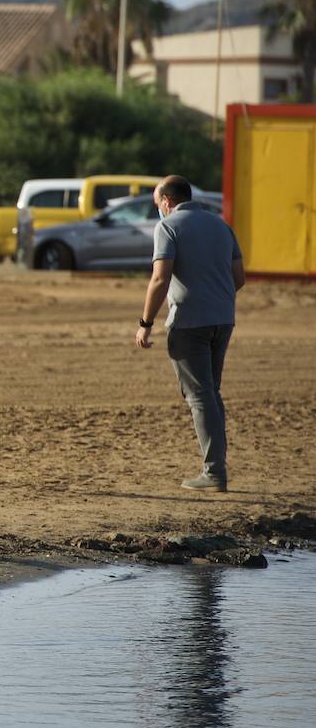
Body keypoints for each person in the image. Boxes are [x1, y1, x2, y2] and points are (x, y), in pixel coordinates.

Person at [135, 175, 245, 492]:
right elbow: (239, 277)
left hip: (189, 323)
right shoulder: (221, 226)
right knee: (211, 392)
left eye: (158, 204)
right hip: (223, 319)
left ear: (167, 200)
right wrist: (215, 296)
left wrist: (145, 323)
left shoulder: (168, 227)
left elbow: (160, 278)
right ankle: (216, 468)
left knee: (200, 396)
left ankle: (214, 473)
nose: (159, 210)